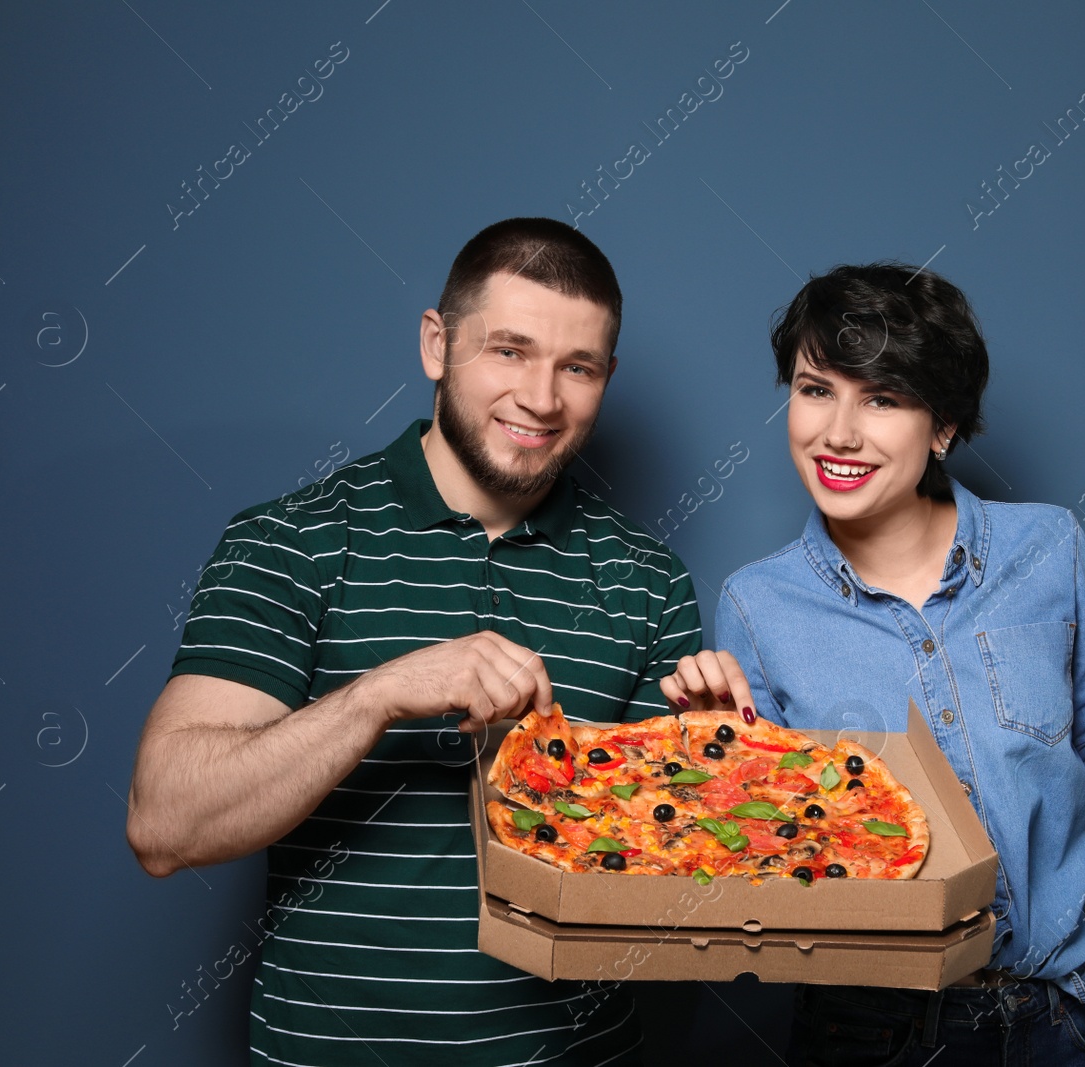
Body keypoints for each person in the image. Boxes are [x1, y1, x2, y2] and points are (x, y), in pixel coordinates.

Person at [125, 217, 701, 1066]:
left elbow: (674, 889)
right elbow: (164, 823)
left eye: (575, 367)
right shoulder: (293, 542)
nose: (541, 398)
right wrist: (376, 694)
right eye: (508, 350)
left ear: (604, 378)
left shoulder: (649, 579)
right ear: (438, 344)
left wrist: (706, 767)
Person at [659, 263, 1085, 1065]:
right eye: (815, 388)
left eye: (882, 398)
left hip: (1051, 1023)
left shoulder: (1047, 547)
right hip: (866, 1035)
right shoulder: (759, 604)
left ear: (944, 426)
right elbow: (777, 861)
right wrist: (726, 759)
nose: (838, 433)